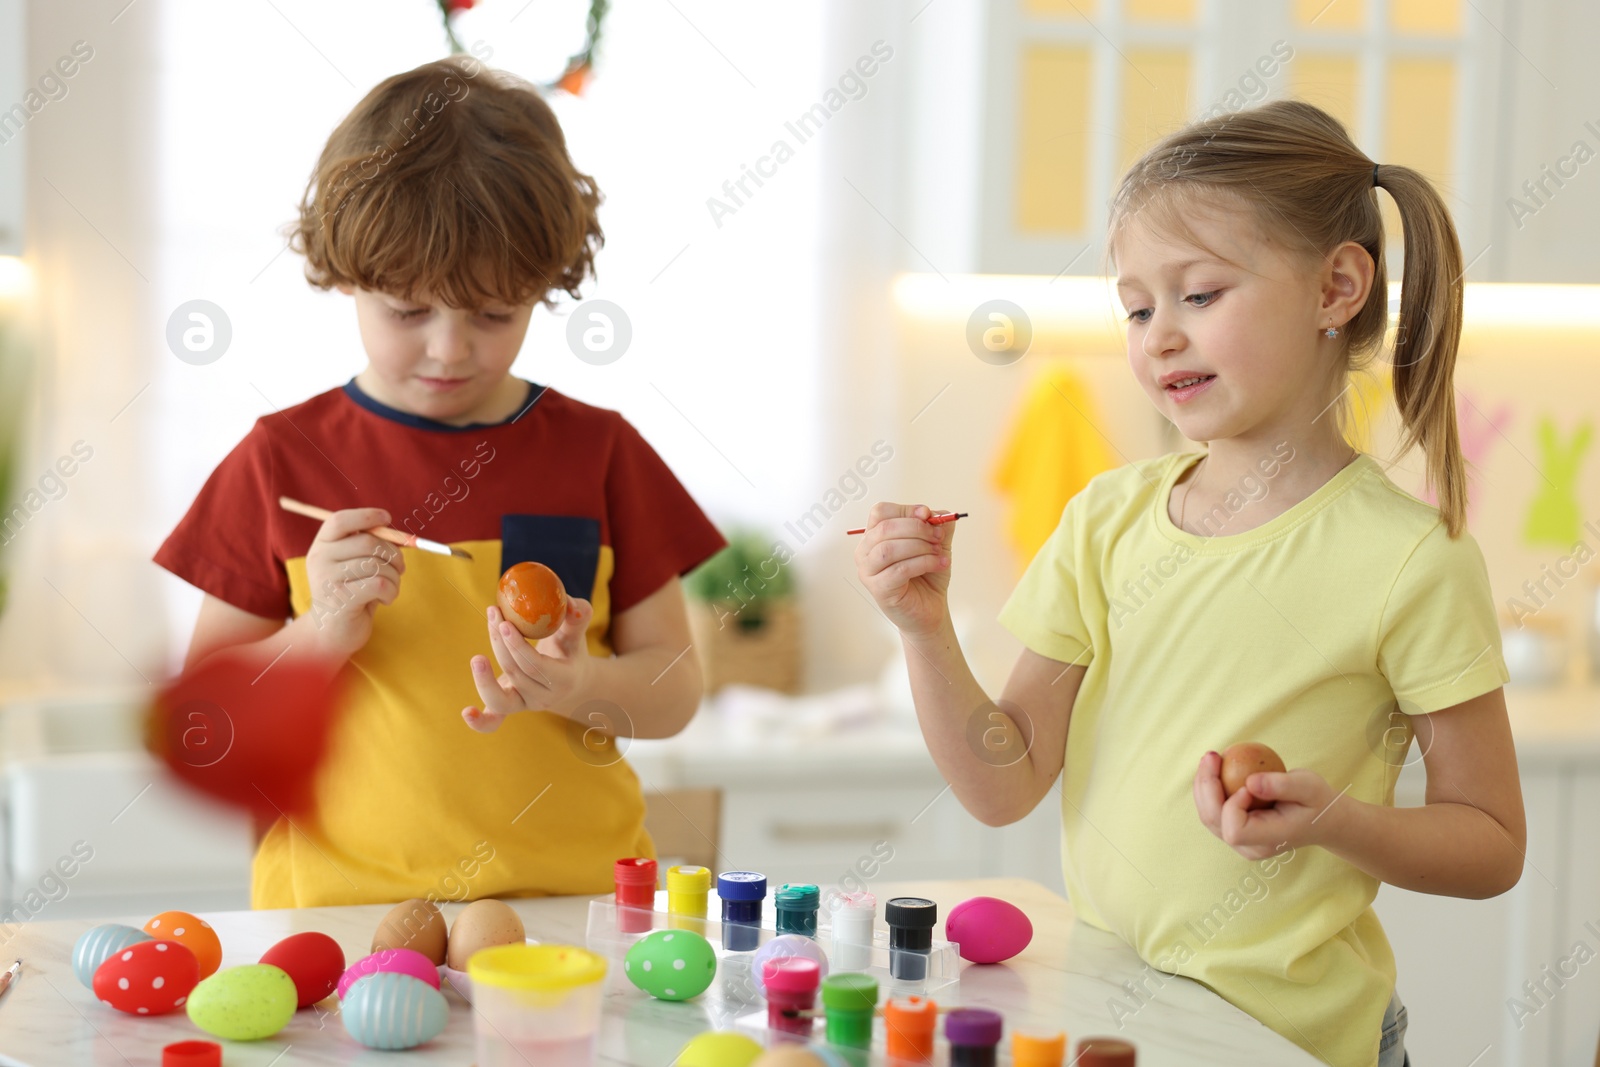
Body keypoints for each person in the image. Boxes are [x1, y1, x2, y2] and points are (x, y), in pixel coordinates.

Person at [856, 99, 1524, 1067]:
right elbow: (1002, 783)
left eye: (1199, 294)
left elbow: (1490, 841)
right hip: (1119, 1019)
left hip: (1296, 1040)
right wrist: (922, 630)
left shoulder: (1410, 559)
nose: (1158, 335)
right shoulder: (1104, 519)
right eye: (1136, 307)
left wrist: (1334, 822)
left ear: (1336, 286)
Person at [154, 55, 725, 909]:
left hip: (575, 909)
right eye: (409, 310)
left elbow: (674, 694)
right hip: (345, 915)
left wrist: (585, 688)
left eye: (496, 313)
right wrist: (317, 635)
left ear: (546, 286)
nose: (451, 349)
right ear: (345, 273)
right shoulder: (278, 460)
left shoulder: (603, 453)